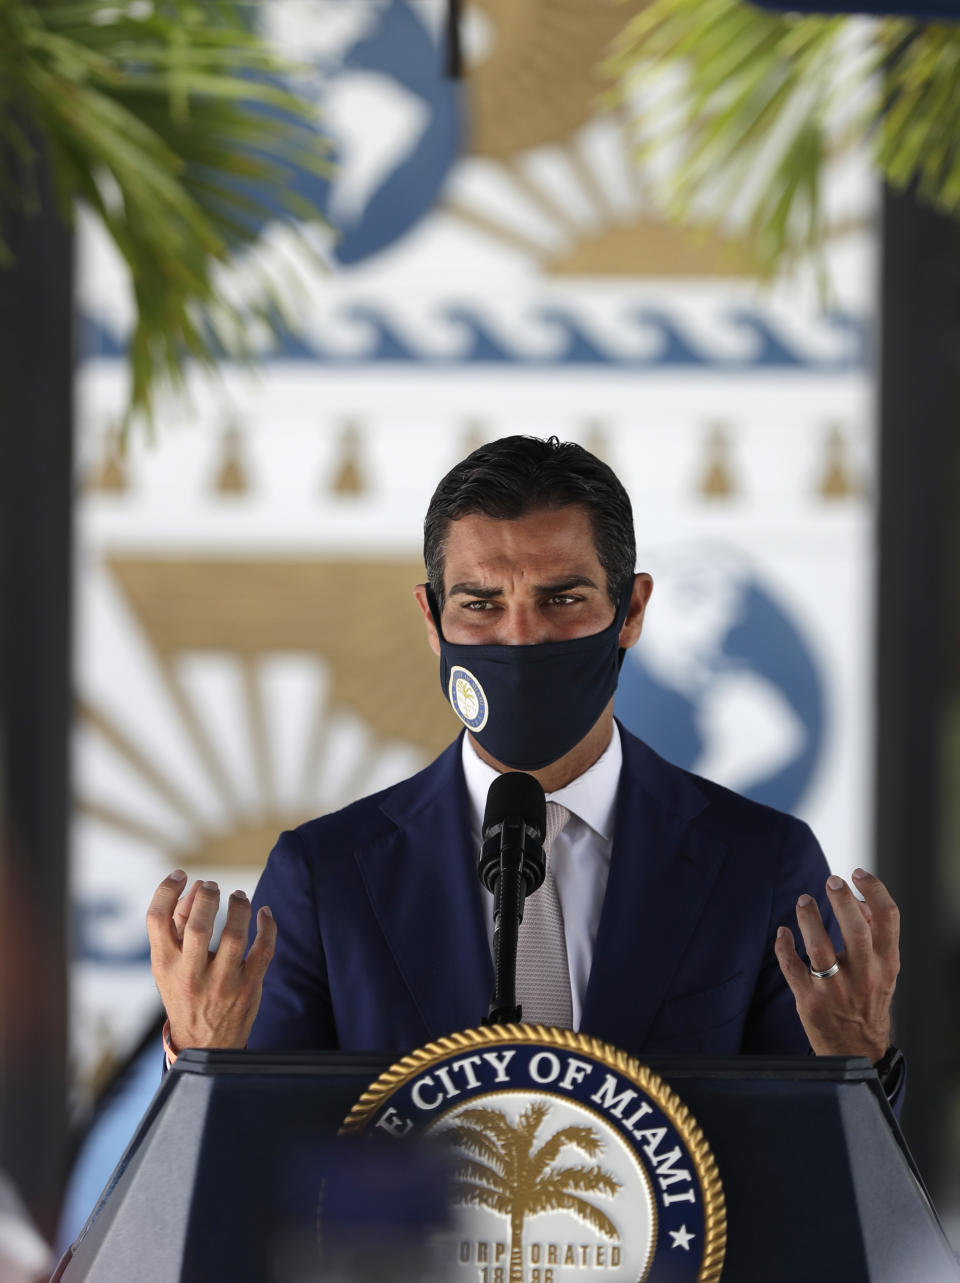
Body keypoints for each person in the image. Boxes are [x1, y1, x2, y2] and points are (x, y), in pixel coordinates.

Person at [147, 436, 902, 1093]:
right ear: (432, 621)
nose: (520, 637)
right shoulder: (327, 873)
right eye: (480, 603)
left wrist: (861, 1062)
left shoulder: (759, 861)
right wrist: (204, 1057)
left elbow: (829, 1184)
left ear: (631, 611)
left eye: (561, 598)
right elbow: (255, 1175)